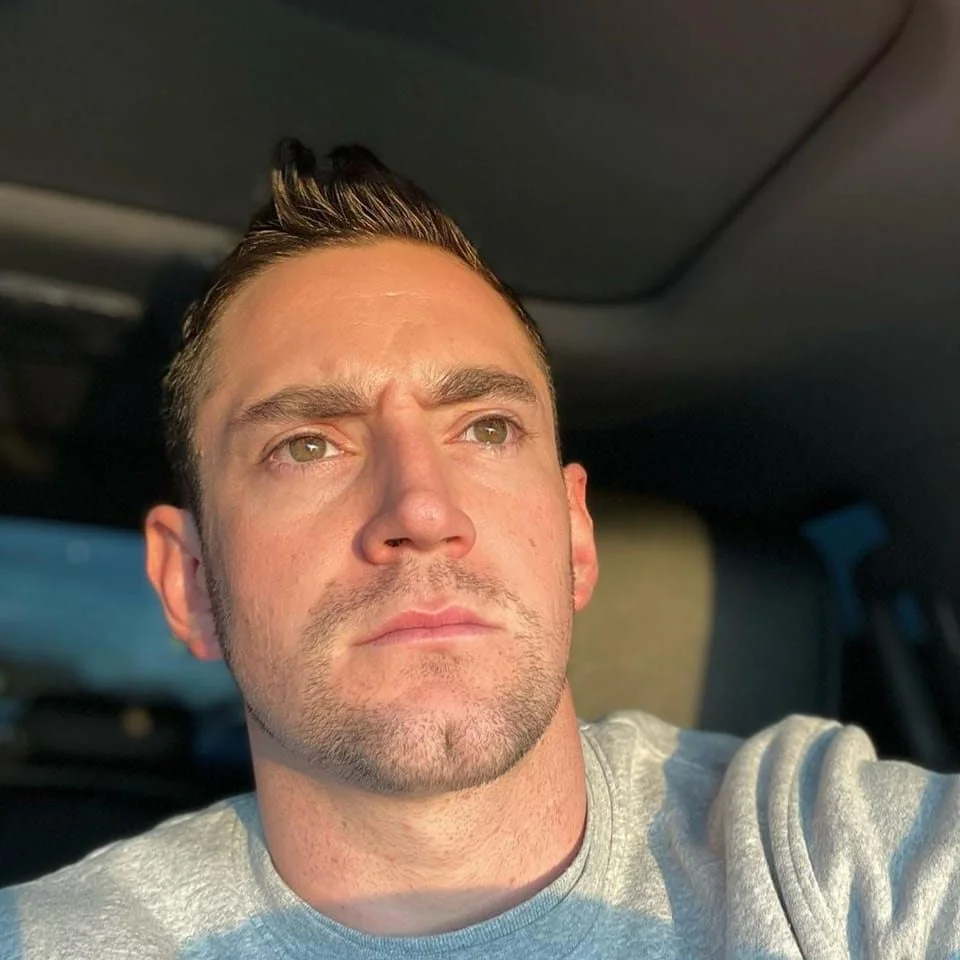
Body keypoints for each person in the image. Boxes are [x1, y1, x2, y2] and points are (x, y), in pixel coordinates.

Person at [2, 139, 958, 960]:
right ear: (191, 583)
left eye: (488, 428)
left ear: (576, 536)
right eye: (306, 446)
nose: (421, 508)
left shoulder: (822, 852)